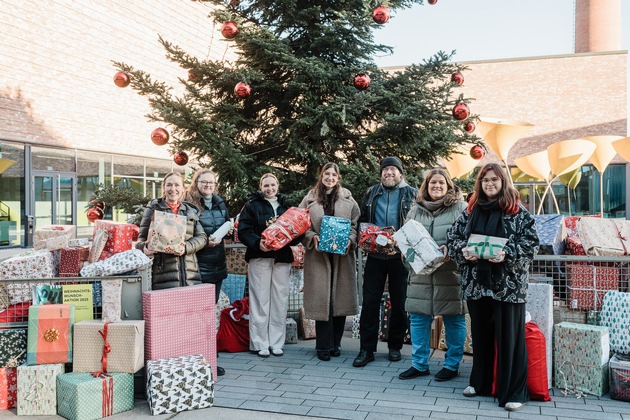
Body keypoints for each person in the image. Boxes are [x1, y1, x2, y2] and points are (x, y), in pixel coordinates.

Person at [447, 163, 539, 412]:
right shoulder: (471, 210)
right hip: (477, 284)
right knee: (481, 336)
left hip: (508, 286)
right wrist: (464, 252)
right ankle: (481, 383)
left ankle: (514, 392)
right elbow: (452, 238)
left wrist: (507, 253)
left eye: (494, 180)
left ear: (503, 182)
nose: (489, 184)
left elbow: (531, 244)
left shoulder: (516, 211)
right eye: (485, 180)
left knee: (510, 340)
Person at [398, 168, 467, 382]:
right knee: (418, 319)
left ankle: (452, 365)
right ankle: (419, 364)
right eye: (432, 183)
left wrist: (451, 251)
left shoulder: (461, 208)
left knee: (454, 319)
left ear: (448, 186)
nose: (436, 186)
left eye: (441, 183)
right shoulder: (415, 210)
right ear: (426, 186)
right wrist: (409, 258)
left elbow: (467, 239)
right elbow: (406, 240)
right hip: (420, 276)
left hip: (449, 275)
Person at [353, 156, 417, 368]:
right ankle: (366, 349)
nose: (389, 173)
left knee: (399, 303)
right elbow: (363, 220)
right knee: (370, 302)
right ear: (381, 173)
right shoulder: (371, 192)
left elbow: (417, 224)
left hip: (400, 257)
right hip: (375, 256)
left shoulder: (412, 194)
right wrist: (365, 239)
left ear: (400, 173)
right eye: (385, 170)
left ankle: (395, 346)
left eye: (393, 169)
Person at [299, 163, 361, 361]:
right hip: (319, 257)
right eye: (327, 174)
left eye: (334, 174)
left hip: (341, 256)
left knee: (340, 300)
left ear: (338, 177)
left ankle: (336, 343)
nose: (330, 177)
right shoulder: (309, 199)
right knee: (322, 300)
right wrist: (311, 237)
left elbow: (356, 225)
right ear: (321, 175)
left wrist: (350, 240)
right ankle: (323, 345)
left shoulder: (348, 199)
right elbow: (300, 224)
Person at [237, 173, 299, 358]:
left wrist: (298, 233)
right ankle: (260, 342)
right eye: (266, 185)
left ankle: (276, 342)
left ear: (278, 186)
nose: (270, 188)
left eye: (273, 185)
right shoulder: (252, 206)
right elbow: (243, 230)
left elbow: (296, 231)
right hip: (260, 257)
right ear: (260, 187)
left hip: (282, 258)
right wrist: (258, 243)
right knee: (260, 300)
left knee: (280, 300)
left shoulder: (287, 207)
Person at [186, 168, 231, 377]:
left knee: (210, 314)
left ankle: (210, 357)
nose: (208, 185)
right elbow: (187, 234)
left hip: (217, 265)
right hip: (198, 265)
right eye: (204, 182)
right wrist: (205, 242)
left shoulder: (220, 203)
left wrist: (228, 231)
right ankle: (198, 357)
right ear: (196, 183)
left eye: (211, 182)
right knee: (197, 314)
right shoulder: (190, 204)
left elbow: (226, 226)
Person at [136, 171, 207, 289]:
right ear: (164, 188)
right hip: (162, 277)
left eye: (177, 185)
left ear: (183, 189)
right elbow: (140, 241)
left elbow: (202, 238)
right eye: (169, 185)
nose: (173, 189)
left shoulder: (190, 211)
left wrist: (186, 247)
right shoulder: (154, 208)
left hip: (190, 276)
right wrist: (145, 247)